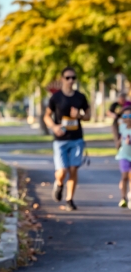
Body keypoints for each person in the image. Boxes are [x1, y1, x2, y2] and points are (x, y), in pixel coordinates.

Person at [44, 67, 91, 211]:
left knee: (73, 169)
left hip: (76, 138)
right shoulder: (56, 97)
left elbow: (88, 116)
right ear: (62, 79)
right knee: (62, 171)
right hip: (60, 140)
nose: (71, 80)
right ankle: (59, 184)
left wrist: (79, 116)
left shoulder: (80, 97)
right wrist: (54, 127)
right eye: (68, 78)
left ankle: (69, 200)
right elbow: (46, 116)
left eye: (73, 78)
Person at [116, 106, 131, 209]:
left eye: (130, 116)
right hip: (123, 155)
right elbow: (119, 141)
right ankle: (123, 198)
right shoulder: (122, 127)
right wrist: (119, 142)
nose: (128, 118)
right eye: (125, 116)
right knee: (124, 177)